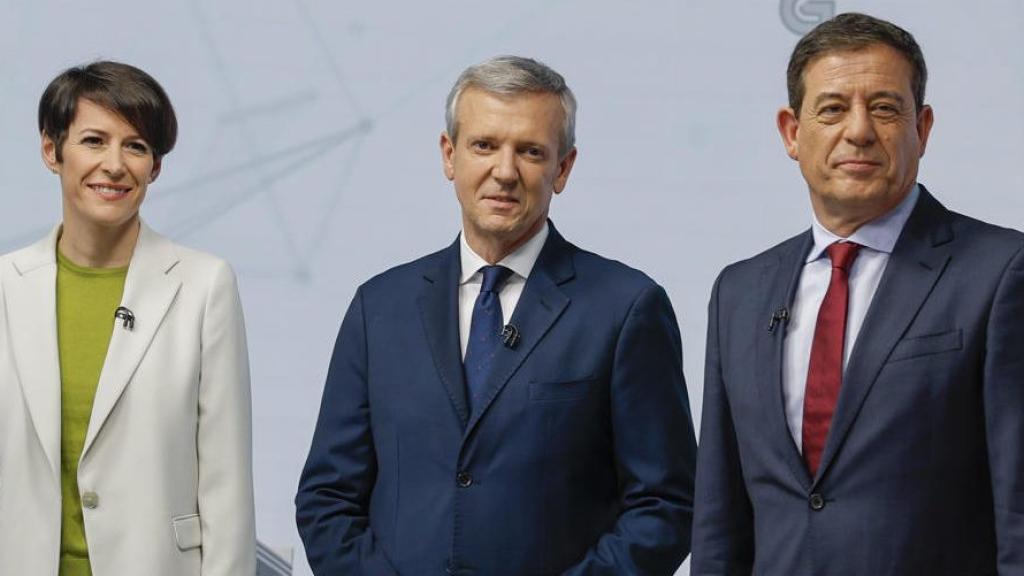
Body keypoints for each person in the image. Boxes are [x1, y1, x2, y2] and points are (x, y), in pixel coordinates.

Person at [296, 55, 697, 575]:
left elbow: (665, 506)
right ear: (449, 155)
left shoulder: (626, 308)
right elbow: (327, 498)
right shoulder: (380, 308)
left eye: (530, 151)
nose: (504, 172)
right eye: (484, 145)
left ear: (564, 167)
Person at [691, 12, 1024, 576]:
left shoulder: (1000, 272)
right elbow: (720, 521)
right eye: (833, 108)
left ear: (923, 128)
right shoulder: (739, 293)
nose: (860, 131)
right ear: (792, 133)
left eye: (886, 108)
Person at [0, 61, 255, 575]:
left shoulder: (204, 286)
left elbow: (226, 487)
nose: (114, 165)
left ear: (155, 167)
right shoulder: (6, 286)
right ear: (52, 151)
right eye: (94, 141)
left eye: (136, 146)